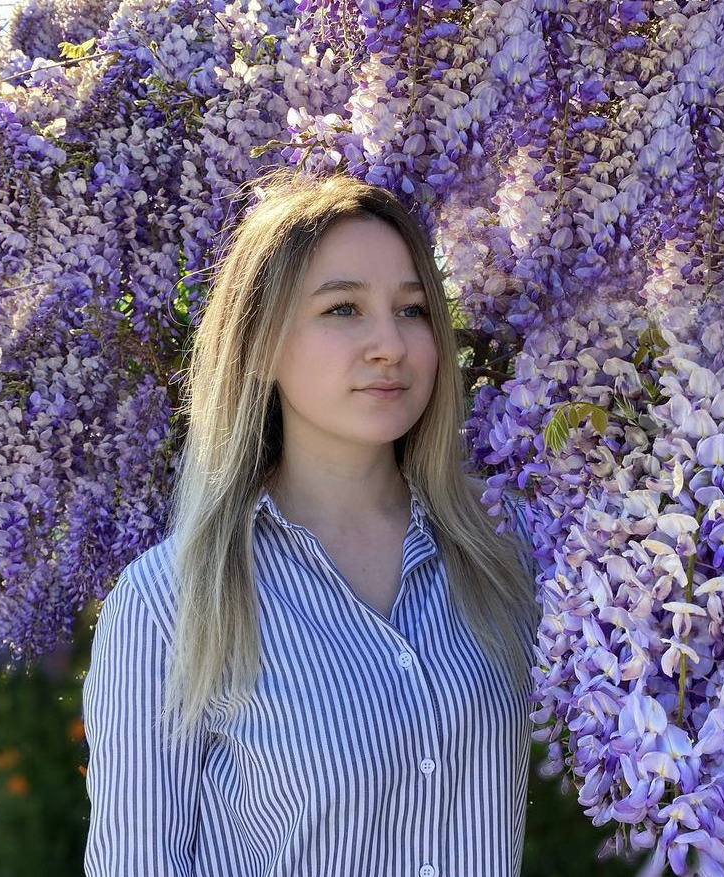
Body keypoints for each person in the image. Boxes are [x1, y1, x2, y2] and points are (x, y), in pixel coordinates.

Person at [81, 171, 540, 877]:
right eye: (343, 309)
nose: (390, 344)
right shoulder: (166, 604)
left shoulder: (505, 549)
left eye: (413, 310)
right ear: (261, 345)